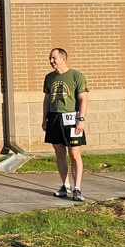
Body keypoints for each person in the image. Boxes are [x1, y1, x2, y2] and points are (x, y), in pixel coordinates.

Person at [42, 47, 89, 202]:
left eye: (53, 58)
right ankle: (65, 186)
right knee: (59, 153)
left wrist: (81, 119)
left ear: (63, 58)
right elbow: (47, 99)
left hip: (72, 118)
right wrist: (45, 118)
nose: (51, 61)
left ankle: (77, 188)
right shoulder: (49, 78)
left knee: (74, 154)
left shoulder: (77, 76)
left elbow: (83, 99)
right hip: (54, 118)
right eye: (50, 58)